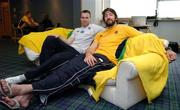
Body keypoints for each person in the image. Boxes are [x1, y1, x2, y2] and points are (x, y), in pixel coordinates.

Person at [0, 8, 176, 109]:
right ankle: (28, 98)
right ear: (103, 18)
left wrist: (166, 47)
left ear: (115, 17)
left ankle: (22, 89)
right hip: (91, 56)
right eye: (106, 15)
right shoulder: (101, 34)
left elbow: (146, 36)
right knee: (66, 72)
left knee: (71, 71)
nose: (108, 16)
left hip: (106, 61)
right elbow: (92, 47)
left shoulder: (124, 29)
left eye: (111, 14)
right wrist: (89, 53)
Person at [5, 10, 104, 84]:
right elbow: (69, 42)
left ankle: (25, 76)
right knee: (50, 38)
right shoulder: (76, 30)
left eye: (87, 17)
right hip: (70, 47)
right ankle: (43, 72)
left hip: (77, 52)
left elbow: (107, 30)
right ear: (80, 18)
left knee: (56, 57)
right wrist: (60, 37)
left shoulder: (94, 27)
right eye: (83, 17)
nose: (85, 19)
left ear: (90, 18)